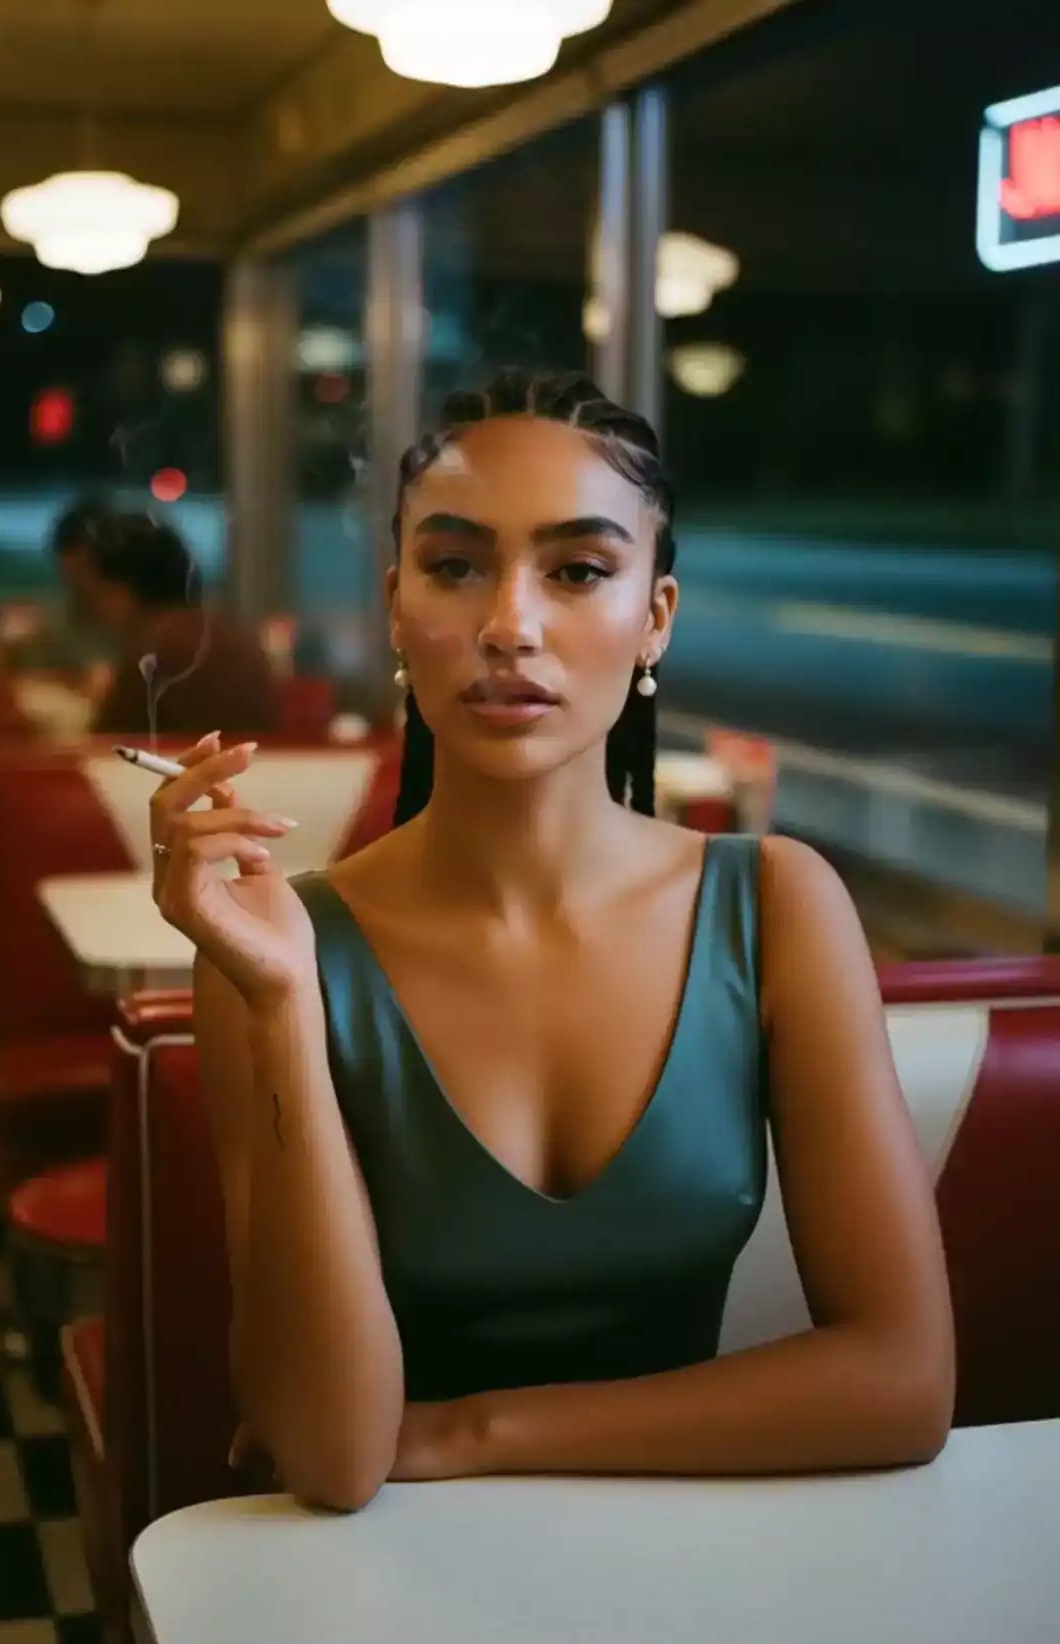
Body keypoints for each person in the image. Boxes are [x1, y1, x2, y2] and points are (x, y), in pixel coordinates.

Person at [150, 369, 955, 1510]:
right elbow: (330, 1457)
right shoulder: (278, 950)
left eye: (577, 571)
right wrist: (284, 1005)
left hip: (697, 1551)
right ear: (395, 605)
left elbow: (903, 1383)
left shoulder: (778, 904)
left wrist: (470, 1430)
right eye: (455, 567)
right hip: (384, 1572)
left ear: (655, 618)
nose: (508, 627)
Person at [52, 507, 278, 738]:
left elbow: (107, 743)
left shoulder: (153, 654)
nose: (92, 609)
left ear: (122, 591)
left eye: (93, 594)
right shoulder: (234, 635)